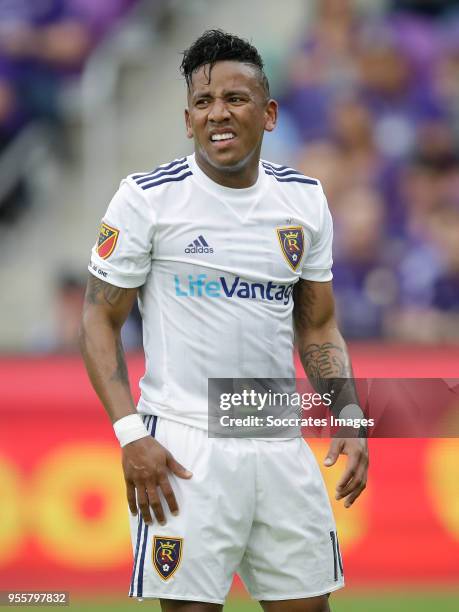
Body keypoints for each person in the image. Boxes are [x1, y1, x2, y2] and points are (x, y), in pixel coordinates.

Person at [80, 29, 368, 612]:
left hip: (277, 433)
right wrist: (131, 434)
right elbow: (98, 319)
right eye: (204, 103)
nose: (219, 114)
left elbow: (317, 324)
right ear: (187, 120)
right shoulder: (146, 200)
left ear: (269, 113)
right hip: (186, 442)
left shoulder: (304, 202)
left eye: (235, 99)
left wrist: (347, 408)